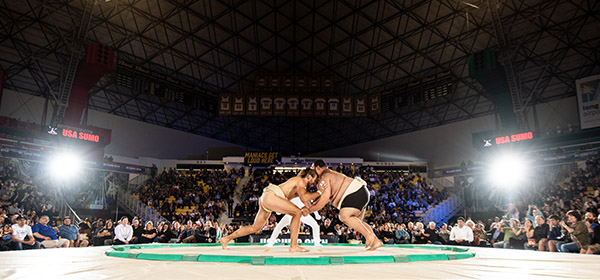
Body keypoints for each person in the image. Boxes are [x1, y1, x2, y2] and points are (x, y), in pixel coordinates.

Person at [220, 168, 318, 252]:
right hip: (272, 196)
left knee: (255, 228)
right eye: (314, 180)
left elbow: (307, 203)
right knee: (297, 212)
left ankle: (226, 239)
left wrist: (308, 209)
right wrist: (320, 192)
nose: (314, 183)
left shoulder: (301, 186)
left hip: (267, 198)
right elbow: (305, 197)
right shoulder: (301, 180)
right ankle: (293, 245)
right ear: (309, 176)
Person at [307, 160, 383, 250]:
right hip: (360, 192)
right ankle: (376, 241)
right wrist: (311, 205)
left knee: (344, 216)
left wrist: (309, 210)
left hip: (354, 193)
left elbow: (324, 200)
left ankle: (368, 235)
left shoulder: (324, 177)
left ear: (318, 168)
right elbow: (322, 198)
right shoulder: (329, 174)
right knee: (356, 222)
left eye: (313, 169)